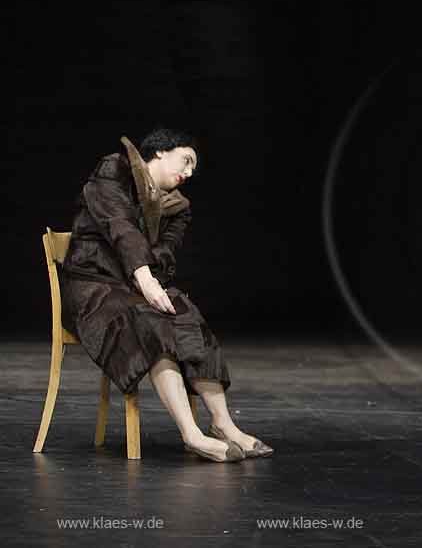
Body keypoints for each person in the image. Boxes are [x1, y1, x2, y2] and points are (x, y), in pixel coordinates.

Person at [60, 129, 273, 462]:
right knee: (154, 326)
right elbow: (119, 225)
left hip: (133, 290)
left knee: (186, 316)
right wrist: (143, 278)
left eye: (193, 169)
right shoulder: (115, 170)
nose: (189, 173)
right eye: (186, 161)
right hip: (92, 289)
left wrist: (153, 275)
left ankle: (223, 424)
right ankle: (191, 434)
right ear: (160, 152)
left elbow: (166, 254)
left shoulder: (177, 207)